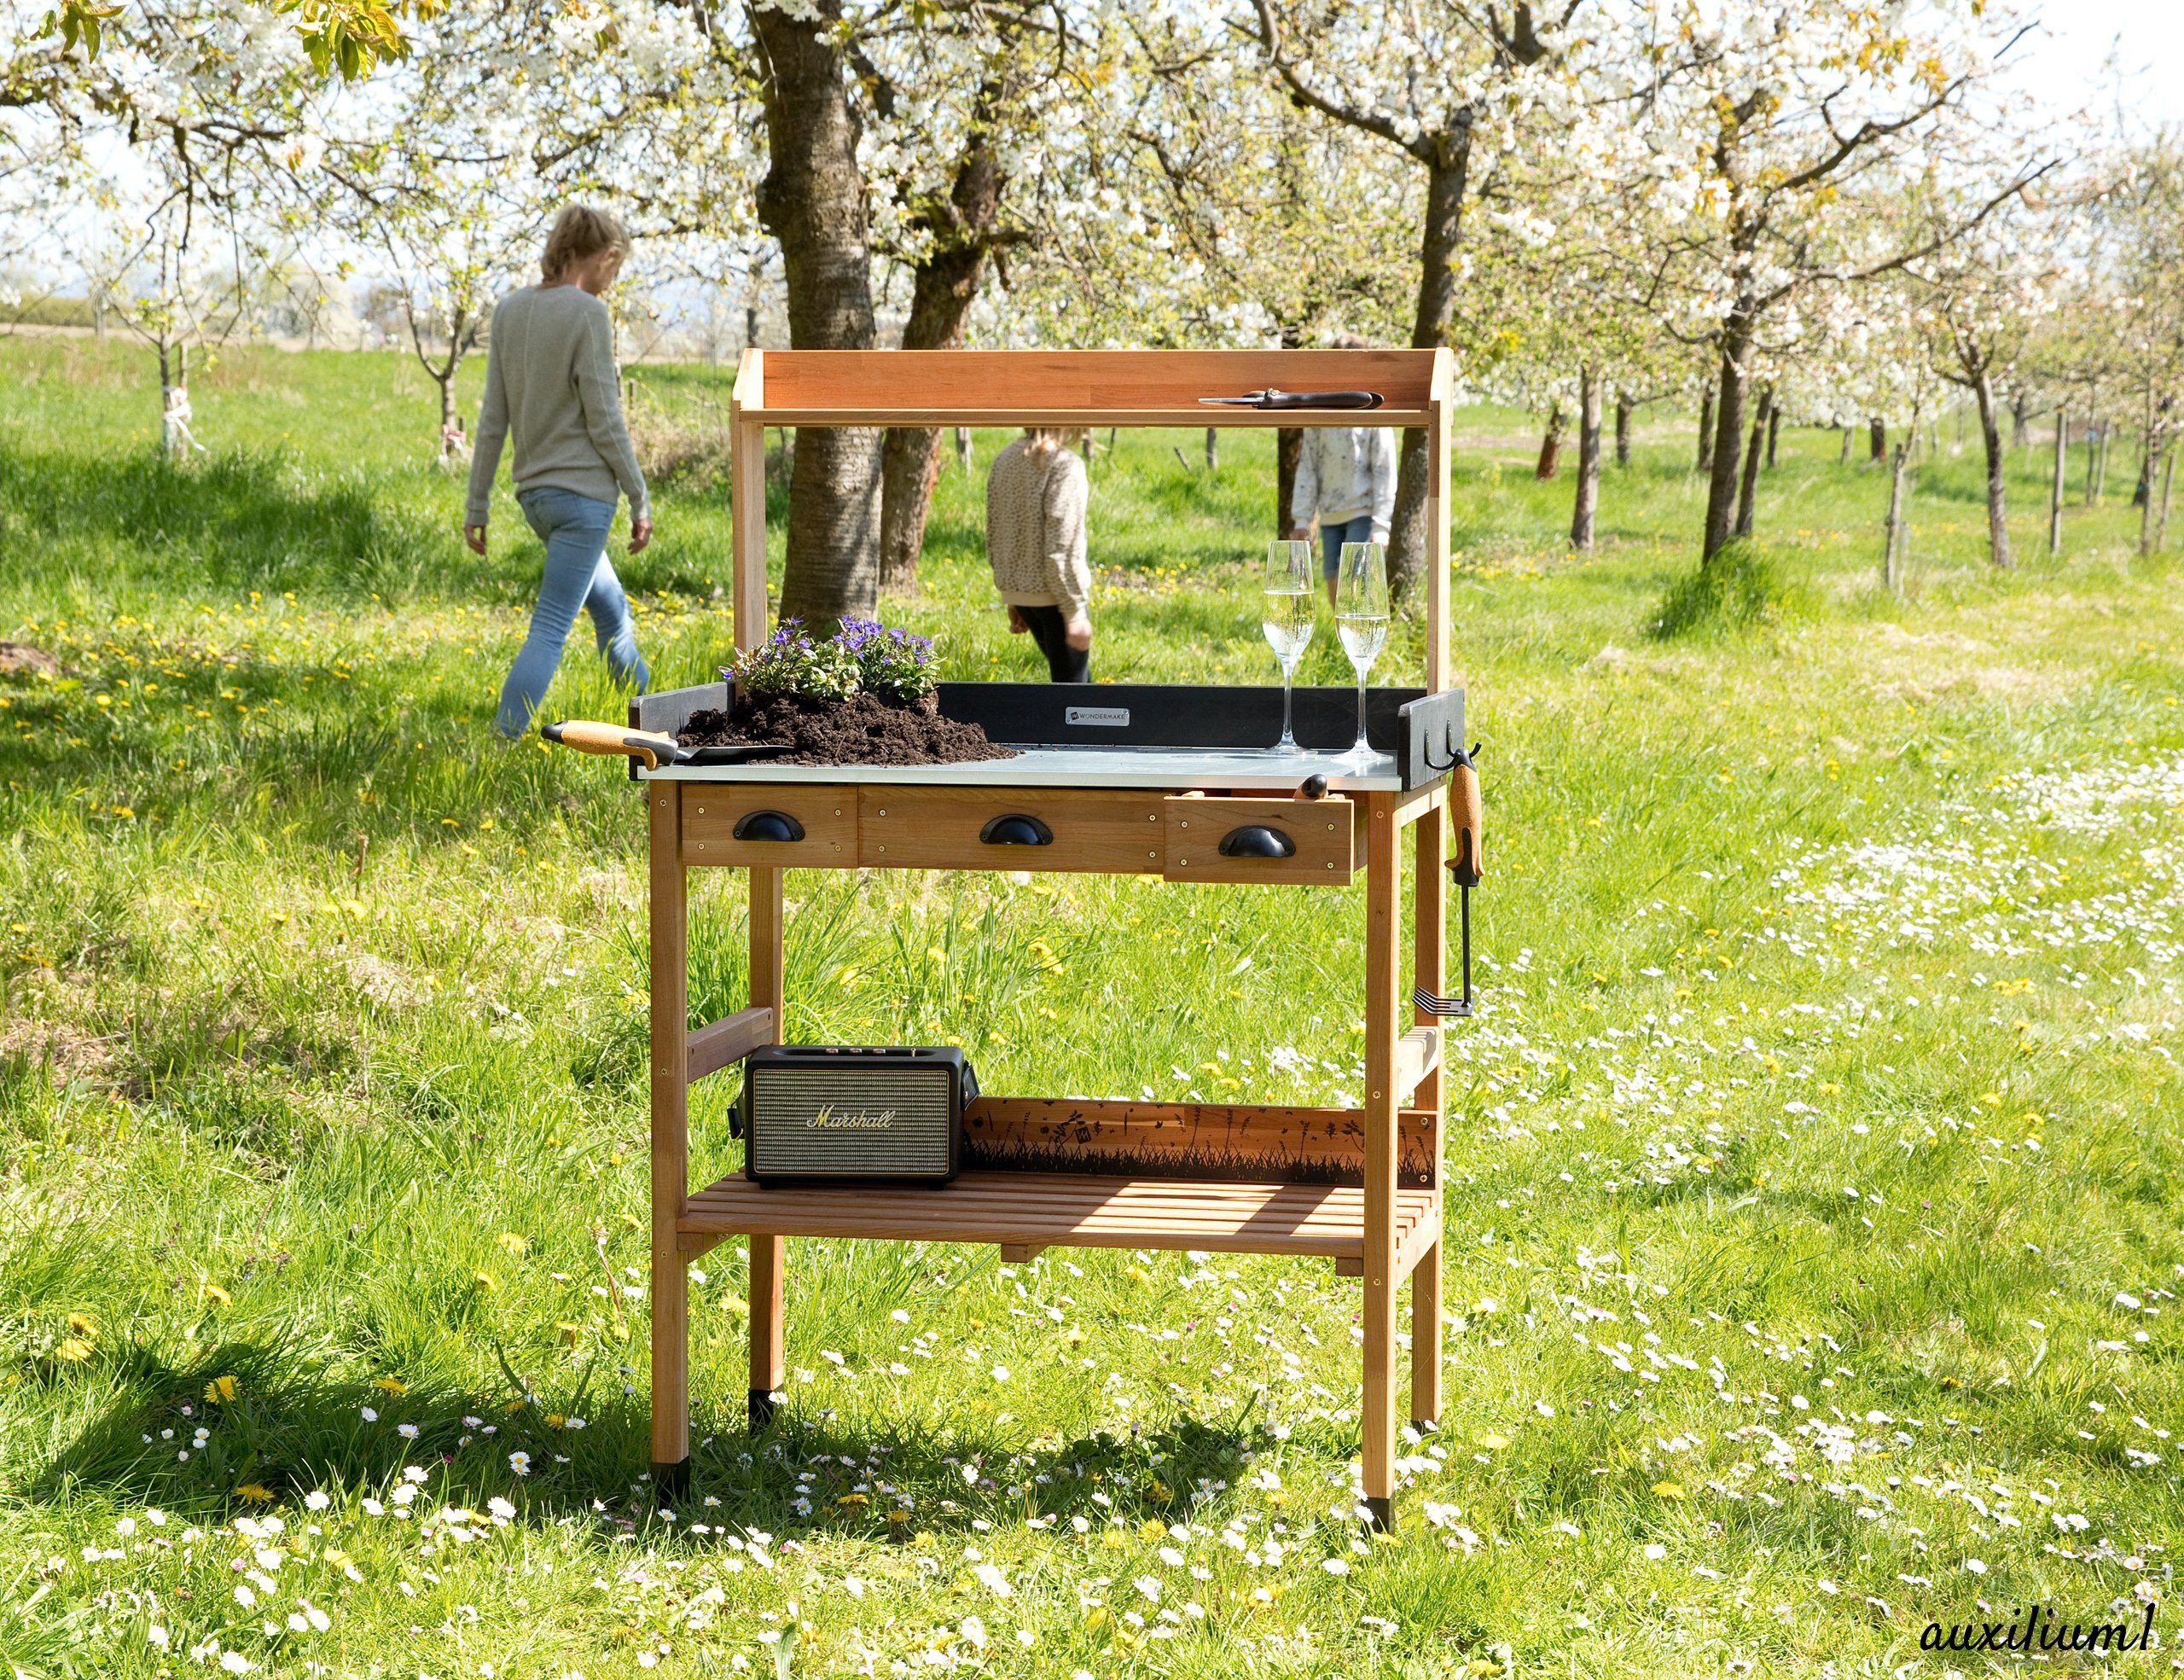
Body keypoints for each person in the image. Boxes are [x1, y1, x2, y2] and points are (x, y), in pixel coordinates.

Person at [463, 204, 653, 738]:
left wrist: (477, 506)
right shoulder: (588, 314)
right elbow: (605, 417)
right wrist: (639, 496)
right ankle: (501, 742)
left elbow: (491, 421)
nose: (611, 284)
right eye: (614, 272)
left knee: (613, 612)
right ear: (607, 257)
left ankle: (659, 726)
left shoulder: (509, 310)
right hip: (585, 501)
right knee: (550, 627)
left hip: (538, 501)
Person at [1289, 336, 1397, 605]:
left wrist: (1382, 525)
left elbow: (1384, 469)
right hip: (1330, 514)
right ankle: (1343, 645)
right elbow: (1309, 466)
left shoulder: (1374, 416)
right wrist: (1302, 519)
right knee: (1334, 587)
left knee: (1354, 586)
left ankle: (1360, 642)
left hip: (1362, 512)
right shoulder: (1319, 415)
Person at [985, 426, 1092, 683]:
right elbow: (1062, 543)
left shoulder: (1004, 459)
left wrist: (1014, 598)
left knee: (1076, 691)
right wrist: (1074, 612)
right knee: (1076, 701)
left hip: (1022, 596)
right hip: (1055, 598)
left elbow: (996, 530)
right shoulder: (1065, 465)